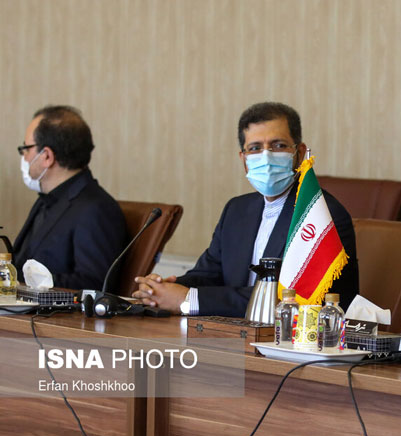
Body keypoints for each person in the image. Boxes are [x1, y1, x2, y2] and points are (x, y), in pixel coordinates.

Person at [133, 102, 359, 316]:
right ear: (243, 159)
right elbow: (208, 275)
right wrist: (162, 289)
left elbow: (289, 299)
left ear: (299, 153)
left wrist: (188, 299)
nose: (266, 156)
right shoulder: (237, 210)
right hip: (234, 333)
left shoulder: (322, 216)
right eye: (255, 148)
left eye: (278, 145)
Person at [13, 105, 127, 290]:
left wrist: (19, 282)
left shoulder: (96, 209)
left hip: (50, 309)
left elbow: (93, 284)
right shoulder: (46, 199)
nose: (24, 157)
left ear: (47, 156)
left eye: (26, 149)